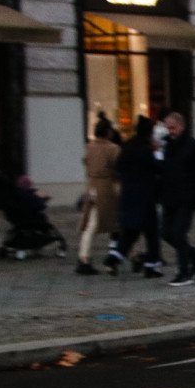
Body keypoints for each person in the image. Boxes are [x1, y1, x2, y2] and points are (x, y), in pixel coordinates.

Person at [106, 115, 163, 278]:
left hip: (129, 194)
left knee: (130, 232)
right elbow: (157, 168)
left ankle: (114, 257)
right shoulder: (146, 149)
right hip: (145, 197)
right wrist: (158, 153)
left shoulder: (127, 146)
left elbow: (118, 167)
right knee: (152, 233)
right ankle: (151, 266)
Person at [159, 111, 195, 286]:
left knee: (179, 233)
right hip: (169, 197)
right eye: (168, 128)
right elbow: (164, 171)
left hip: (187, 197)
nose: (170, 131)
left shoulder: (194, 147)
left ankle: (184, 272)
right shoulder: (167, 145)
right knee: (165, 232)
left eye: (172, 128)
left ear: (181, 126)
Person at [75, 118, 120, 275]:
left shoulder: (90, 146)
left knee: (91, 224)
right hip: (106, 187)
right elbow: (117, 167)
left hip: (92, 185)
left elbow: (86, 162)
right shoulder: (112, 148)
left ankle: (84, 256)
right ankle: (120, 255)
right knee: (114, 222)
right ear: (108, 132)